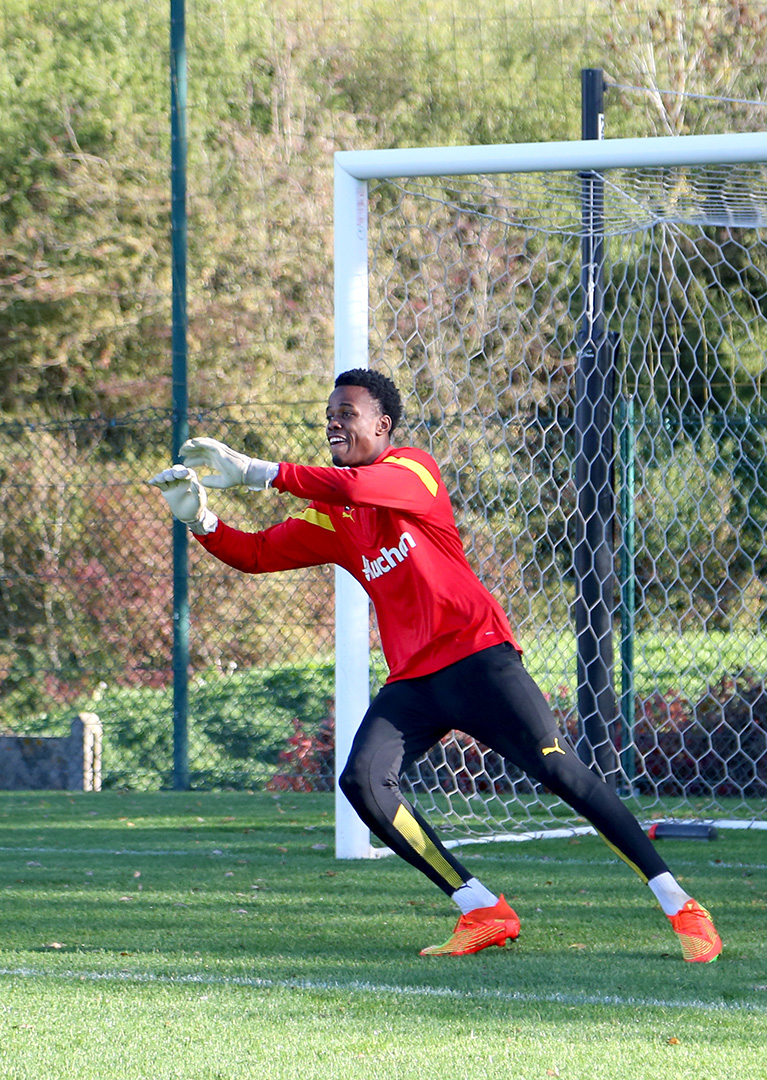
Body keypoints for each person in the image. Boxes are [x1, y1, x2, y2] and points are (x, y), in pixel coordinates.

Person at [147, 368, 722, 960]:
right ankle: (481, 909)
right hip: (415, 681)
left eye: (347, 411)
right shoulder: (334, 516)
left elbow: (350, 489)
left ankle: (681, 905)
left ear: (383, 424)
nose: (334, 421)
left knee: (562, 773)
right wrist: (201, 521)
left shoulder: (413, 470)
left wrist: (255, 472)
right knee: (363, 782)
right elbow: (260, 553)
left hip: (478, 655)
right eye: (329, 413)